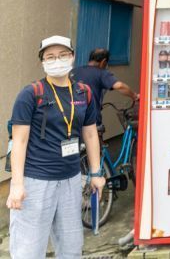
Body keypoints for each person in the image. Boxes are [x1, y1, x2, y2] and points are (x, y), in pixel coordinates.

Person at [6, 35, 105, 259]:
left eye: (62, 55)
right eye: (50, 57)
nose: (57, 60)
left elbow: (90, 134)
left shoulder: (83, 92)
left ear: (72, 57)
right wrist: (17, 185)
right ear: (42, 62)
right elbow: (19, 141)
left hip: (70, 179)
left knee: (71, 247)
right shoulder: (31, 94)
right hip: (36, 181)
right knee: (28, 249)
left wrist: (96, 172)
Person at [71, 48, 138, 131]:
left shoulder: (74, 71)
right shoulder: (101, 73)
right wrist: (134, 96)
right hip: (91, 120)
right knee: (96, 140)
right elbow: (120, 86)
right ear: (103, 62)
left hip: (72, 118)